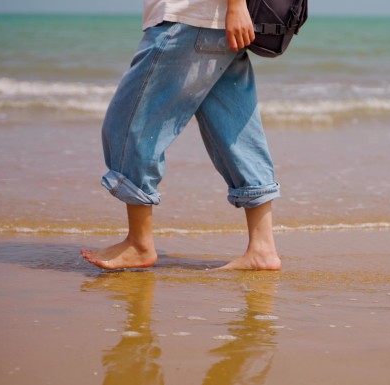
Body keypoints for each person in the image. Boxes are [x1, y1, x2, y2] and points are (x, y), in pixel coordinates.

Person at [81, 0, 281, 271]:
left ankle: (139, 243)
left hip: (191, 19)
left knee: (128, 126)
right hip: (215, 25)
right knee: (237, 134)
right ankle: (262, 248)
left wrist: (235, 5)